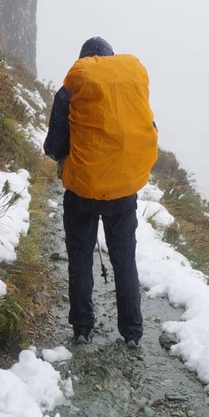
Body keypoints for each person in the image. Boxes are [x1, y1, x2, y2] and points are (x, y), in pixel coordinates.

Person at [43, 36, 158, 348]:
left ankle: (82, 328)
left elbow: (54, 145)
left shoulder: (72, 88)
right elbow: (147, 128)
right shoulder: (131, 87)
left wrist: (68, 159)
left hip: (82, 189)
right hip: (123, 191)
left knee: (80, 258)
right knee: (125, 260)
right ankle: (132, 332)